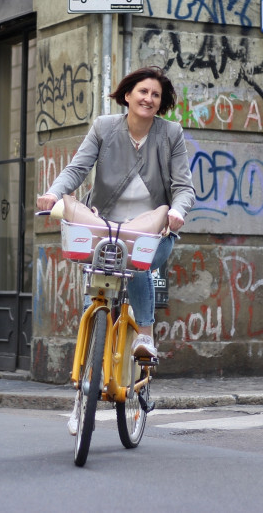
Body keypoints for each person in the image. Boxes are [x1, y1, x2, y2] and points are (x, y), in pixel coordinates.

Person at [37, 66, 194, 432]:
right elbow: (77, 169)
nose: (148, 99)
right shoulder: (104, 127)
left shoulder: (170, 134)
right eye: (142, 92)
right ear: (127, 95)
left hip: (152, 229)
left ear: (161, 102)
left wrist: (177, 211)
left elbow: (183, 186)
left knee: (138, 265)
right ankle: (83, 388)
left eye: (155, 95)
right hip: (105, 227)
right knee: (97, 290)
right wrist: (54, 193)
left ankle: (145, 337)